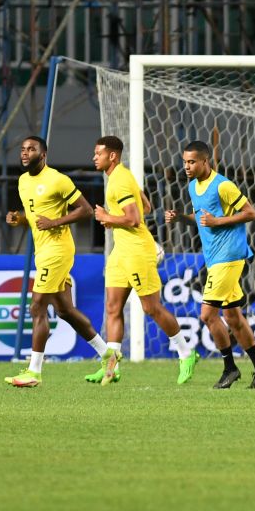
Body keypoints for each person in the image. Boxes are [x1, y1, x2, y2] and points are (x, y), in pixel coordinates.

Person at [87, 135, 199, 385]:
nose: (94, 157)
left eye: (98, 153)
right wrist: (113, 218)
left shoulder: (119, 181)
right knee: (113, 308)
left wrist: (107, 216)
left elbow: (135, 219)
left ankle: (185, 352)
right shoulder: (120, 178)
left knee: (151, 308)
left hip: (137, 251)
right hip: (121, 251)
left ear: (112, 156)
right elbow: (145, 206)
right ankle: (111, 367)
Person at [3, 135, 111, 387]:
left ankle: (34, 372)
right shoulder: (22, 181)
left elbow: (85, 210)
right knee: (65, 311)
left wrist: (55, 223)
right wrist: (19, 219)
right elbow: (34, 216)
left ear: (44, 155)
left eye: (32, 149)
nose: (25, 153)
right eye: (23, 149)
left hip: (58, 250)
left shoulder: (58, 180)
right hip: (44, 251)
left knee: (37, 307)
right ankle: (108, 354)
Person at [164, 140, 255, 389]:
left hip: (230, 255)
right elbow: (203, 218)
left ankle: (230, 368)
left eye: (192, 162)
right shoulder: (193, 186)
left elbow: (250, 213)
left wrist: (219, 221)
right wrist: (181, 216)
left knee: (207, 314)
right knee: (233, 316)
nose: (187, 166)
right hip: (213, 257)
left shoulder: (222, 185)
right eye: (185, 162)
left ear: (205, 161)